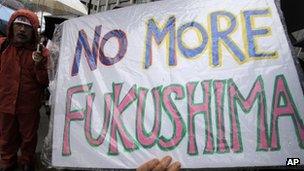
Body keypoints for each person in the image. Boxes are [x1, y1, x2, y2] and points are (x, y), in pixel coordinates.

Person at [0, 9, 49, 171]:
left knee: (28, 139)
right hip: (5, 104)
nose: (21, 29)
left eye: (27, 27)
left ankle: (26, 162)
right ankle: (7, 161)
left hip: (29, 108)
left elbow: (45, 81)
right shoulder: (2, 46)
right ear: (11, 27)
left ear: (33, 30)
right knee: (6, 137)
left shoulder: (41, 52)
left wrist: (39, 63)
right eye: (18, 25)